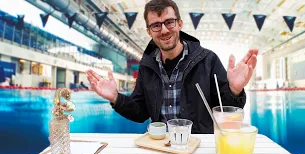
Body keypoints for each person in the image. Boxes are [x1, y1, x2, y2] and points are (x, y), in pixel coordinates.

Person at [87, 0, 258, 134]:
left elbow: (225, 109)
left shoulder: (208, 60)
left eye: (169, 22)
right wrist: (116, 98)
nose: (164, 30)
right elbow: (140, 112)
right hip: (161, 145)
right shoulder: (147, 66)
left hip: (198, 145)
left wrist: (234, 90)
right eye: (156, 25)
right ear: (149, 31)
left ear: (179, 24)